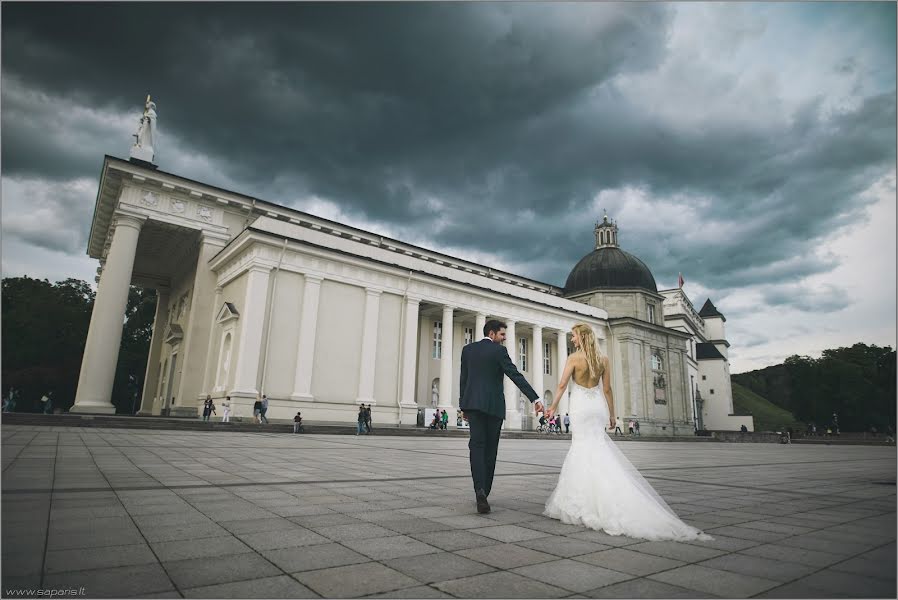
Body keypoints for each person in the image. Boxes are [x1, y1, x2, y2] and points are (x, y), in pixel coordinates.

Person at [544, 323, 711, 541]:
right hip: (597, 407)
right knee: (597, 447)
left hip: (580, 407)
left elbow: (562, 385)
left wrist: (553, 407)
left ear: (582, 337)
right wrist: (612, 415)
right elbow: (607, 389)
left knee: (581, 446)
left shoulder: (574, 358)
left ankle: (582, 501)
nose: (572, 339)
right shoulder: (603, 359)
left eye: (574, 336)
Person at [459, 319, 543, 514]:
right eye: (502, 334)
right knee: (490, 450)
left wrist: (464, 405)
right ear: (492, 333)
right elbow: (515, 375)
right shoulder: (499, 352)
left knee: (476, 447)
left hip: (473, 405)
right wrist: (534, 398)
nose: (504, 338)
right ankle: (485, 492)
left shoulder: (468, 350)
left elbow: (464, 379)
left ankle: (479, 489)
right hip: (494, 407)